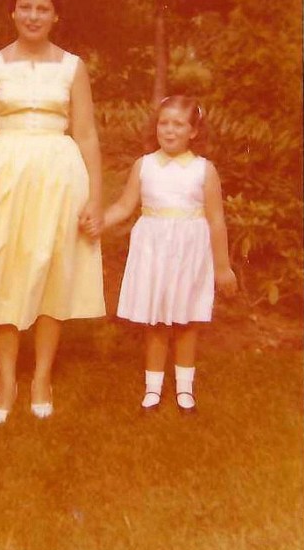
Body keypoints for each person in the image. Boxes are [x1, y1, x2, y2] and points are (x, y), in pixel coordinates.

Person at [0, 0, 105, 423]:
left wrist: (95, 197)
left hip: (58, 176)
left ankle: (42, 377)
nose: (34, 15)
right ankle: (7, 378)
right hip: (3, 178)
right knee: (6, 271)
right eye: (26, 7)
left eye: (43, 8)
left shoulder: (73, 67)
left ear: (56, 16)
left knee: (52, 269)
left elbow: (86, 135)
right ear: (13, 13)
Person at [99, 95, 237, 413]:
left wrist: (222, 267)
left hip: (189, 252)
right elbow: (124, 206)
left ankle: (185, 388)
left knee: (187, 319)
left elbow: (216, 220)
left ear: (193, 132)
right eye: (164, 123)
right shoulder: (145, 165)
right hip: (153, 249)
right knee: (156, 319)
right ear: (156, 127)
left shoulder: (204, 170)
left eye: (178, 124)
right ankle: (153, 388)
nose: (170, 130)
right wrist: (98, 223)